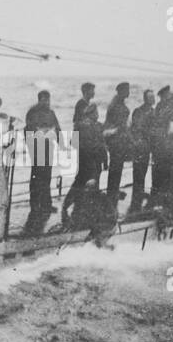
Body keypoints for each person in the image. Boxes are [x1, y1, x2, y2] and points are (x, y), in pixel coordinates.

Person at [22, 91, 61, 235]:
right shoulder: (33, 112)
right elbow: (29, 129)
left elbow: (57, 128)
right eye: (45, 100)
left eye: (48, 100)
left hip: (48, 146)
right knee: (37, 178)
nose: (47, 102)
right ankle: (35, 206)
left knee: (47, 176)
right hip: (37, 147)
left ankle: (46, 204)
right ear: (40, 100)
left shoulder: (51, 112)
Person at [62, 104, 108, 225]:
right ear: (91, 113)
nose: (97, 114)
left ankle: (71, 205)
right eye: (96, 112)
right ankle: (85, 209)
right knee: (86, 182)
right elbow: (99, 144)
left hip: (89, 159)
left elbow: (73, 143)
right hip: (90, 159)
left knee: (82, 182)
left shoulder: (86, 125)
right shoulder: (90, 126)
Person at [128, 89, 156, 212]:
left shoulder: (153, 111)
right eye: (150, 97)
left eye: (153, 97)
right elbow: (136, 128)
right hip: (140, 147)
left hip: (148, 147)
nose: (153, 99)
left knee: (143, 173)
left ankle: (138, 200)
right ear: (145, 99)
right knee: (138, 175)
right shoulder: (139, 111)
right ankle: (135, 203)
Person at [103, 82, 133, 198]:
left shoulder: (117, 103)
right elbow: (120, 125)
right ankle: (112, 191)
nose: (128, 92)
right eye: (127, 90)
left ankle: (114, 189)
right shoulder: (116, 105)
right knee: (116, 165)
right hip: (116, 139)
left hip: (117, 138)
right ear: (121, 91)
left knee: (117, 165)